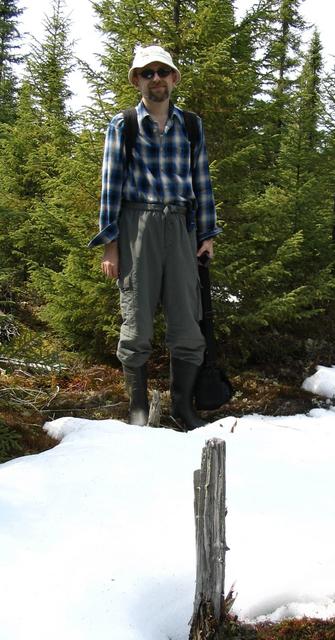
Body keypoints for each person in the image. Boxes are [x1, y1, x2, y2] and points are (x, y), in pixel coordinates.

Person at [89, 44, 221, 430]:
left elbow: (202, 181)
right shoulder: (123, 125)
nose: (156, 78)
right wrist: (111, 245)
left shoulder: (191, 125)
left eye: (163, 71)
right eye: (148, 73)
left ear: (174, 78)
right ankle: (137, 410)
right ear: (137, 80)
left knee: (187, 322)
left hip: (181, 227)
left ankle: (183, 407)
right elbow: (110, 188)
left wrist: (207, 234)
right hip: (136, 227)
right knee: (137, 323)